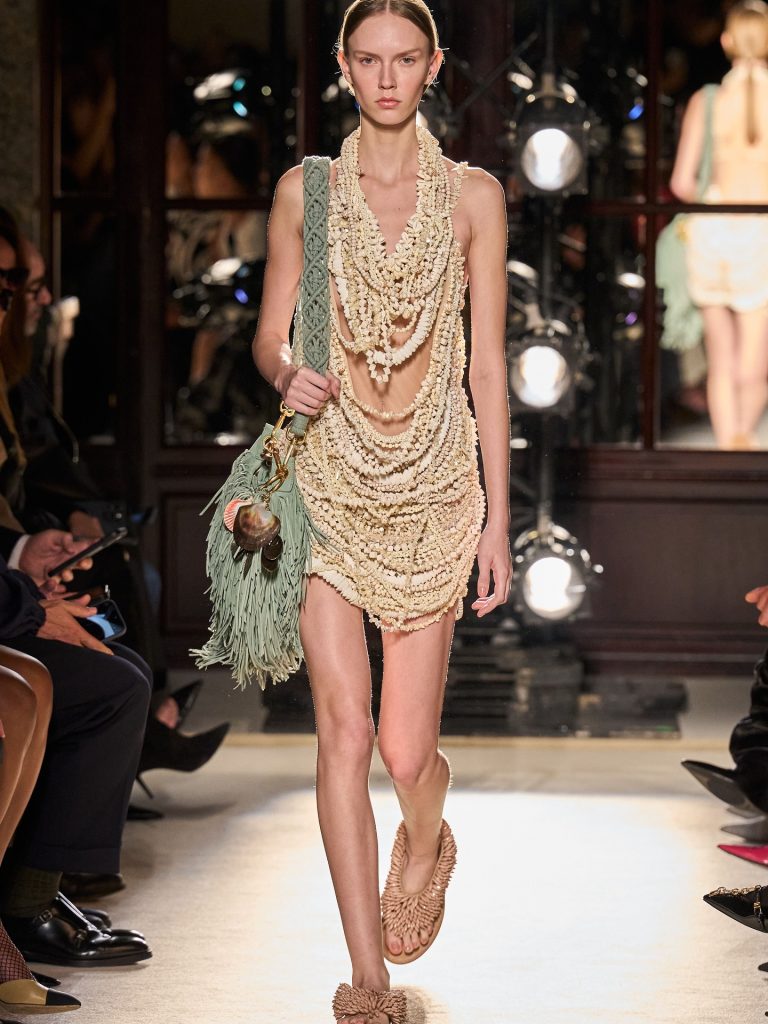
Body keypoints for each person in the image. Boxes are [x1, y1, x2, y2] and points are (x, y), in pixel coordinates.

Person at [252, 2, 511, 1021]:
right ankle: (368, 978)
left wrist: (497, 518)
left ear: (434, 65)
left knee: (406, 752)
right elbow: (271, 334)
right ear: (344, 66)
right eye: (369, 59)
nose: (388, 77)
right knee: (344, 732)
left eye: (406, 59)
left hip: (436, 484)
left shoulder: (474, 198)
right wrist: (289, 371)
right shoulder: (307, 192)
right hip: (331, 473)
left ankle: (428, 829)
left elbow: (487, 366)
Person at [670, 0, 768, 450]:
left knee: (721, 358)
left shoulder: (707, 101)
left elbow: (681, 182)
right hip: (760, 231)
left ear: (726, 42)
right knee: (754, 363)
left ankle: (729, 445)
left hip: (712, 231)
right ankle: (741, 443)